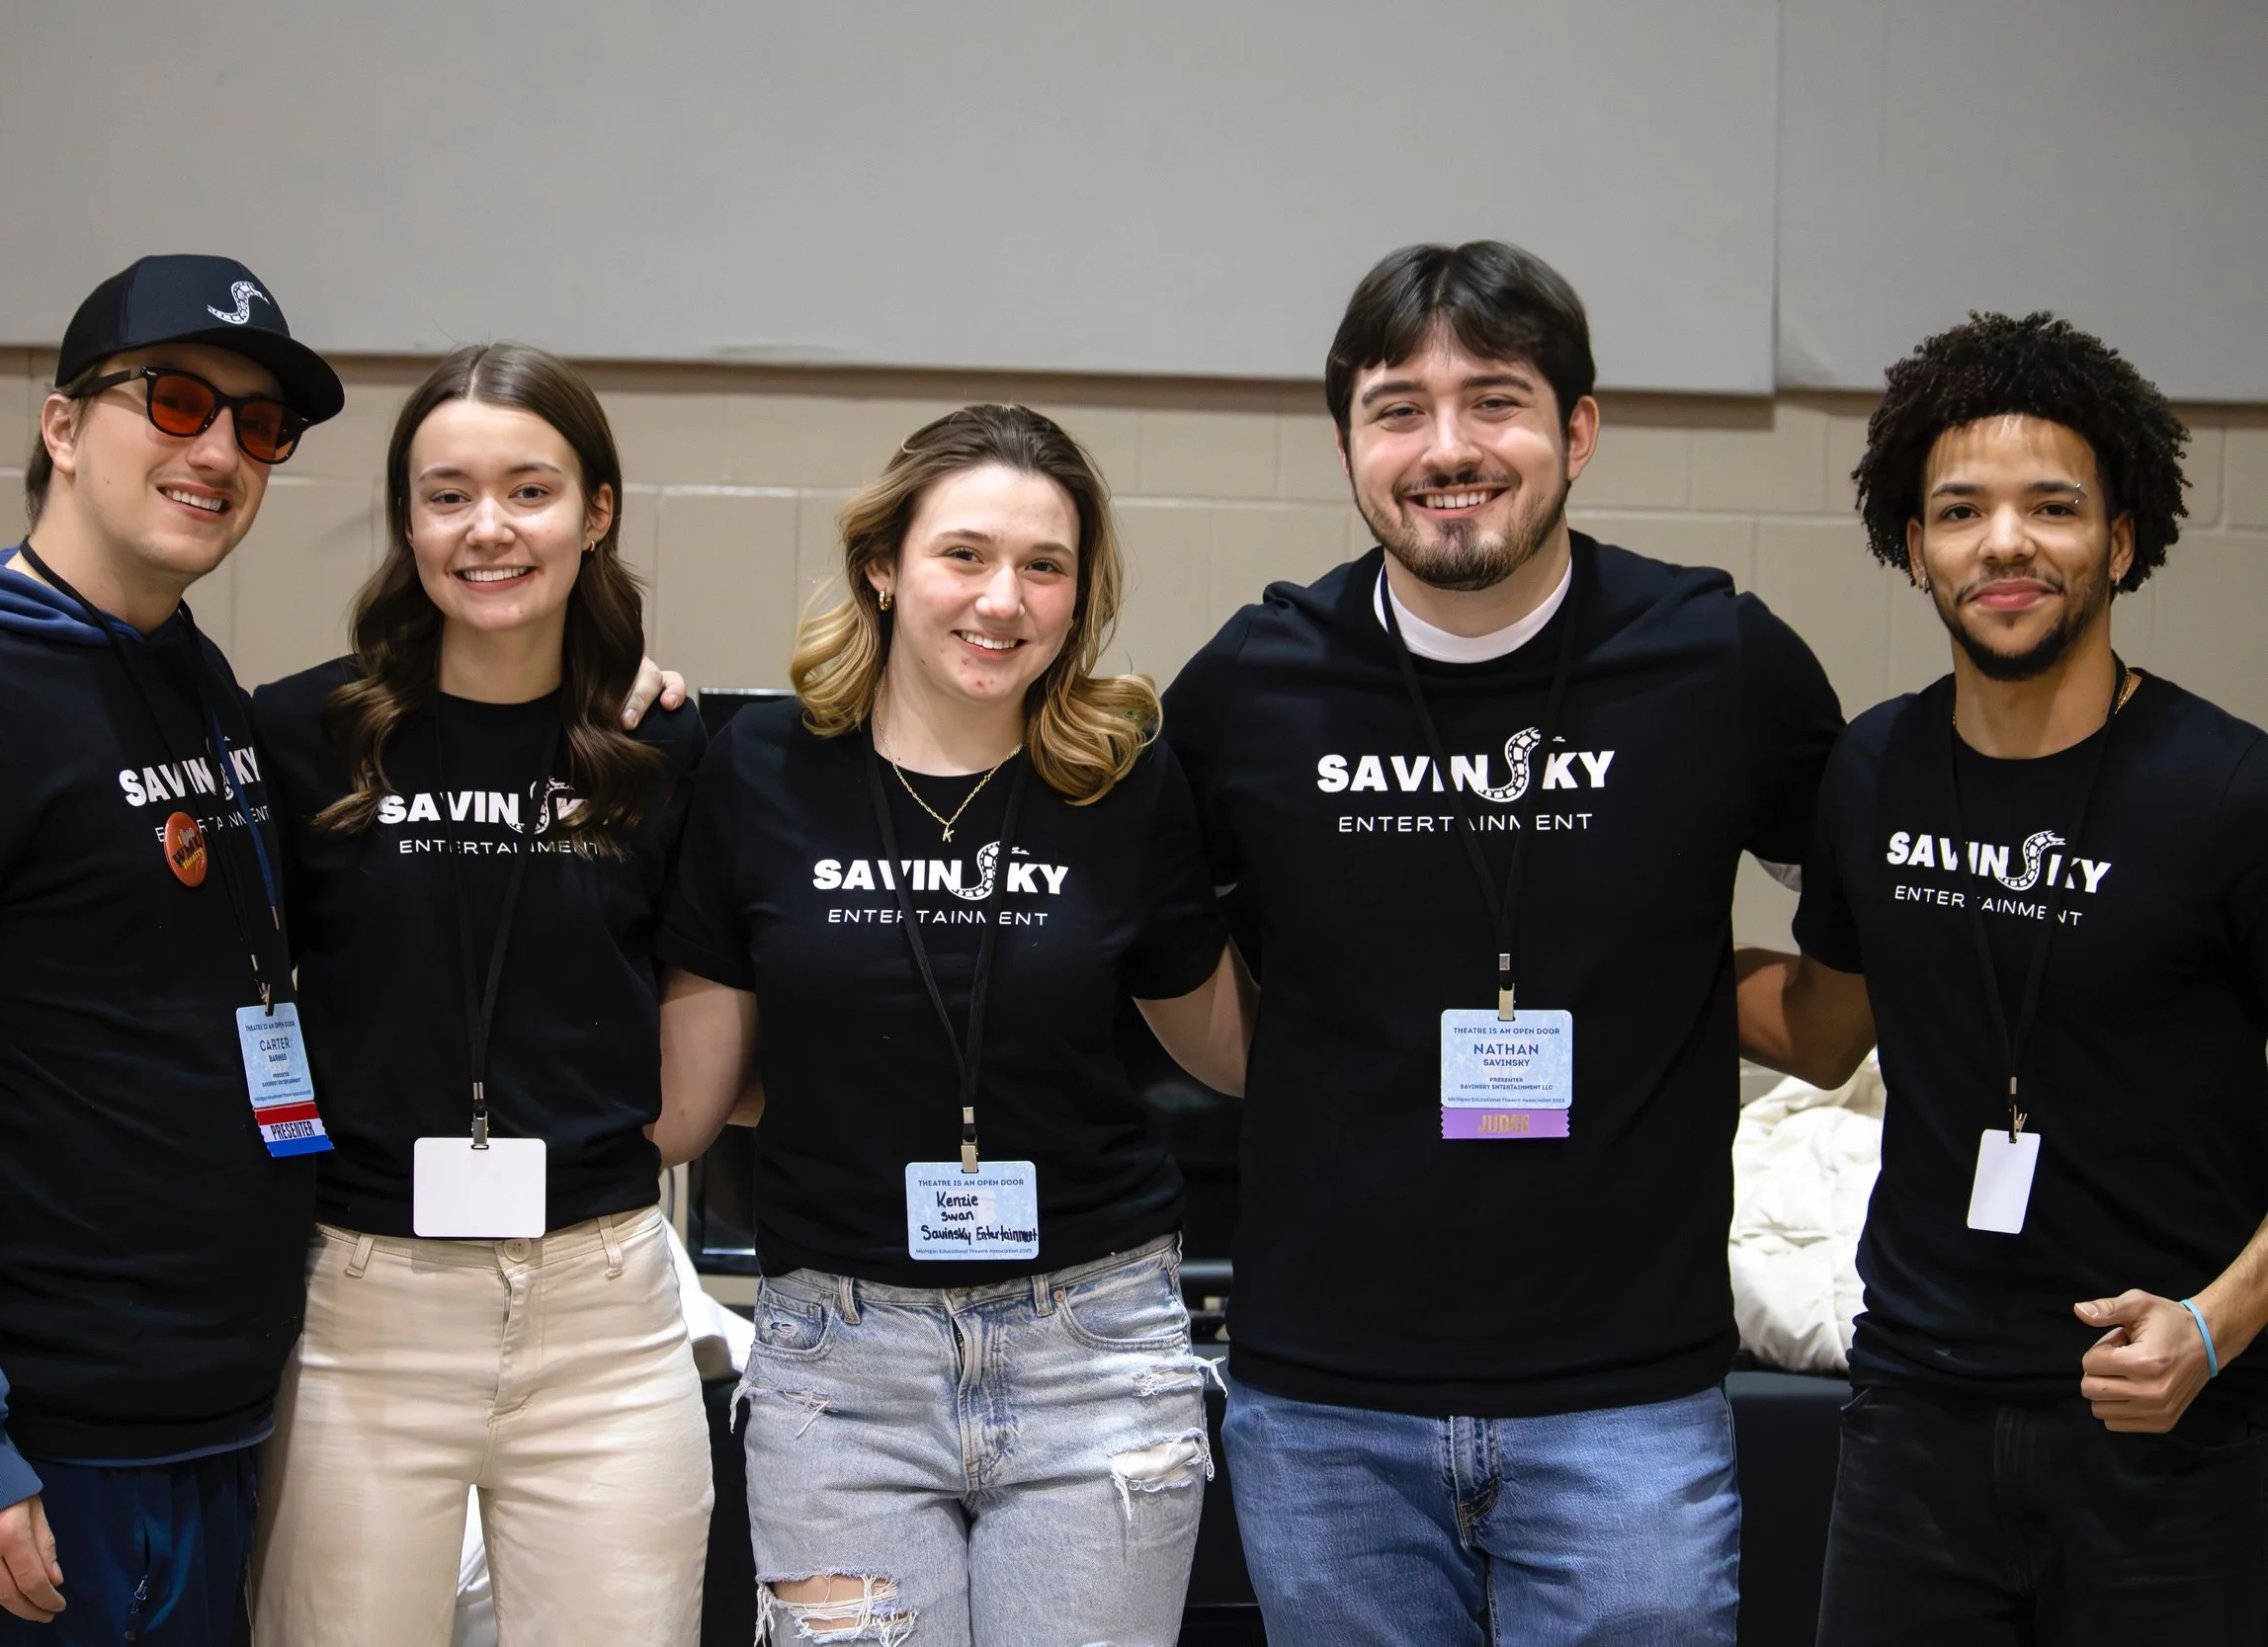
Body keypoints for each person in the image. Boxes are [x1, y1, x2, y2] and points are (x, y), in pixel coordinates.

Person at [1160, 241, 1845, 1646]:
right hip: (1323, 1403)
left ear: (1578, 431)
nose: (1448, 447)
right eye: (1398, 406)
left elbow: (1854, 962)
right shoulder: (1252, 682)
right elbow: (1149, 946)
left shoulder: (1718, 658)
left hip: (1628, 1405)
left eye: (1497, 400)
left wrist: (1679, 994)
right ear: (1348, 439)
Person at [0, 255, 345, 1645]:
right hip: (45, 1441)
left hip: (212, 1403)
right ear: (60, 427)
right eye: (174, 400)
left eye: (257, 425)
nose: (217, 449)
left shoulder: (186, 673)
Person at [654, 403, 1255, 1647]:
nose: (1003, 599)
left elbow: (1229, 1046)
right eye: (964, 554)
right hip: (841, 1360)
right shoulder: (758, 766)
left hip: (1094, 1343)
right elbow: (697, 1098)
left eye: (1044, 566)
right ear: (883, 564)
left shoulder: (1121, 781)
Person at [1738, 312, 2268, 1643]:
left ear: (2124, 537)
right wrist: (1612, 950)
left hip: (2168, 1418)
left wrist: (2215, 1324)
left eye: (2054, 505)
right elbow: (1823, 1021)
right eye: (1961, 509)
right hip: (1916, 1411)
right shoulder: (1872, 769)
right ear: (1913, 547)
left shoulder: (2229, 791)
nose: (2007, 541)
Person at [246, 342, 711, 1646]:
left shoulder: (659, 745)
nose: (488, 527)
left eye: (530, 489)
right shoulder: (305, 735)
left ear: (597, 511)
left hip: (603, 1306)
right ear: (408, 517)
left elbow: (694, 999)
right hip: (361, 1303)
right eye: (447, 493)